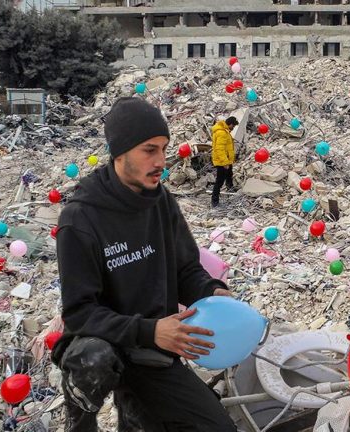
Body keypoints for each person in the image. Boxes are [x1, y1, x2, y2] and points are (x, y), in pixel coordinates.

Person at [53, 97, 237, 432]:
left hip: (153, 348)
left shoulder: (161, 202)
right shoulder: (80, 218)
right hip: (105, 345)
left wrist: (212, 291)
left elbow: (186, 270)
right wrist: (149, 330)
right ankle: (79, 421)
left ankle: (137, 414)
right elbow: (79, 313)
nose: (161, 162)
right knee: (93, 357)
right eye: (149, 150)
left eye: (164, 149)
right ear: (120, 152)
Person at [210, 116, 238, 208]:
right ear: (230, 124)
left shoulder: (225, 131)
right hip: (222, 161)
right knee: (219, 181)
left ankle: (230, 188)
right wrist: (225, 162)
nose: (233, 128)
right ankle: (215, 201)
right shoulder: (222, 133)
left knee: (229, 174)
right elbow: (219, 149)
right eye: (233, 126)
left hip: (227, 160)